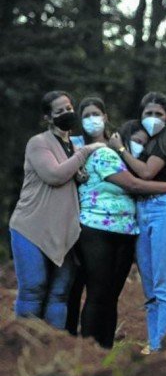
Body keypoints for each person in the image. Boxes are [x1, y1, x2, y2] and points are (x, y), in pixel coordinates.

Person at [68, 98, 166, 348]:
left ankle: (122, 349)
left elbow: (140, 175)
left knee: (112, 296)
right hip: (96, 229)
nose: (92, 119)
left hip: (127, 229)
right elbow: (135, 183)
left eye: (96, 114)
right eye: (87, 115)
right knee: (99, 293)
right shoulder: (84, 148)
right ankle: (90, 351)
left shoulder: (124, 151)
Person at [8, 90, 104, 328]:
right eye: (59, 111)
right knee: (33, 288)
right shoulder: (38, 143)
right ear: (48, 118)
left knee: (60, 292)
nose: (66, 114)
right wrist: (86, 152)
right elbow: (54, 175)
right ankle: (26, 344)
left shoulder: (71, 145)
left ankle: (54, 346)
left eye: (69, 109)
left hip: (63, 229)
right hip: (31, 226)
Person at [109, 92, 166, 352]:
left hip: (164, 209)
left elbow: (145, 173)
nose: (153, 119)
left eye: (159, 115)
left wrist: (119, 149)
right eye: (148, 114)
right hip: (141, 210)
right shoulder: (138, 143)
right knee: (150, 290)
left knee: (164, 285)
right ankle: (155, 346)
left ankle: (165, 348)